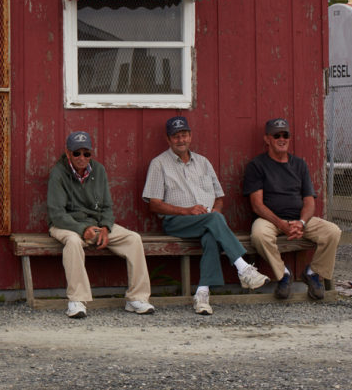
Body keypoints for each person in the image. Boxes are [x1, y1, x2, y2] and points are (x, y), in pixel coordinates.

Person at [142, 115, 269, 315]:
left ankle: (202, 294)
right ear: (168, 139)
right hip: (177, 222)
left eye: (184, 135)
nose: (181, 140)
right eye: (176, 136)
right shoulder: (159, 164)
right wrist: (187, 210)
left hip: (207, 221)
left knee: (211, 235)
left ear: (190, 136)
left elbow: (219, 198)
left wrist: (215, 213)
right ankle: (243, 268)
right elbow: (155, 206)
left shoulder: (203, 162)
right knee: (214, 222)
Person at [47, 131, 155, 318]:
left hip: (95, 225)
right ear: (67, 152)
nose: (82, 158)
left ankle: (136, 298)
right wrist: (82, 229)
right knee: (72, 243)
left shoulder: (99, 170)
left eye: (86, 153)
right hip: (66, 225)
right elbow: (57, 214)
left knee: (133, 239)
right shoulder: (58, 173)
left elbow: (107, 207)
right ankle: (77, 301)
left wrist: (105, 227)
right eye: (77, 153)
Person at [243, 117, 341, 301]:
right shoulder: (257, 165)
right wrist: (281, 224)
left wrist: (302, 223)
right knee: (258, 235)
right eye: (276, 135)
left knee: (332, 232)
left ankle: (313, 273)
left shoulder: (300, 164)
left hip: (299, 219)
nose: (282, 139)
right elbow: (257, 205)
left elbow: (309, 202)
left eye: (285, 135)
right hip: (271, 220)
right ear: (267, 139)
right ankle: (283, 275)